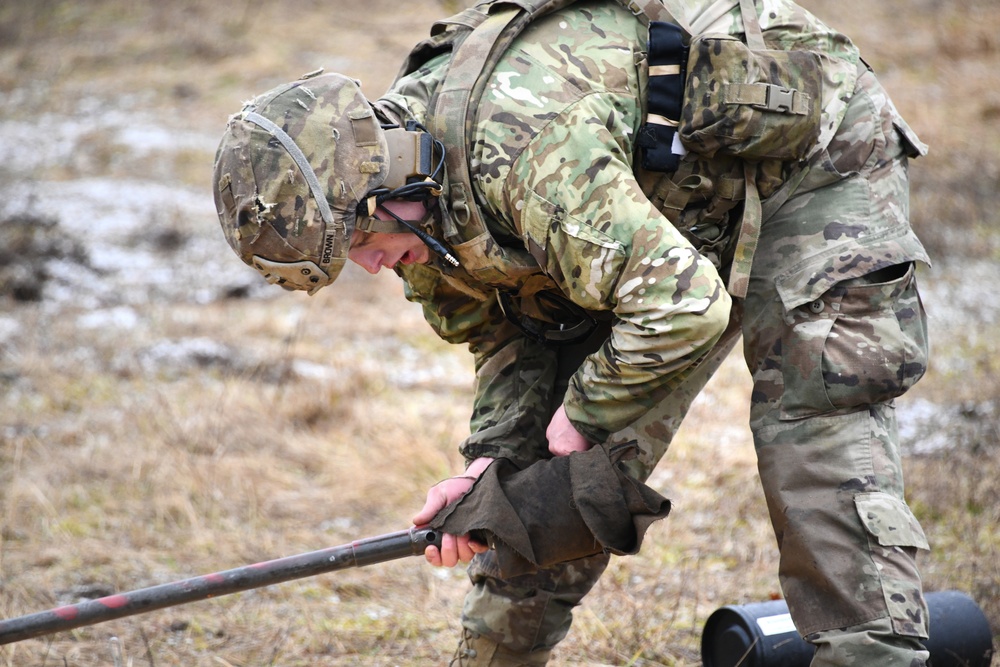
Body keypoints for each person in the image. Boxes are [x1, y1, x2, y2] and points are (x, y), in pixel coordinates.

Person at [212, 0, 933, 664]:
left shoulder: (524, 152)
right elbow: (511, 334)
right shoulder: (419, 206)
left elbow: (683, 309)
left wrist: (583, 415)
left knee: (816, 413)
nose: (369, 266)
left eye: (360, 240)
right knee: (538, 483)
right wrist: (490, 468)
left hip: (811, 154)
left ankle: (873, 653)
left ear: (382, 183)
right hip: (659, 208)